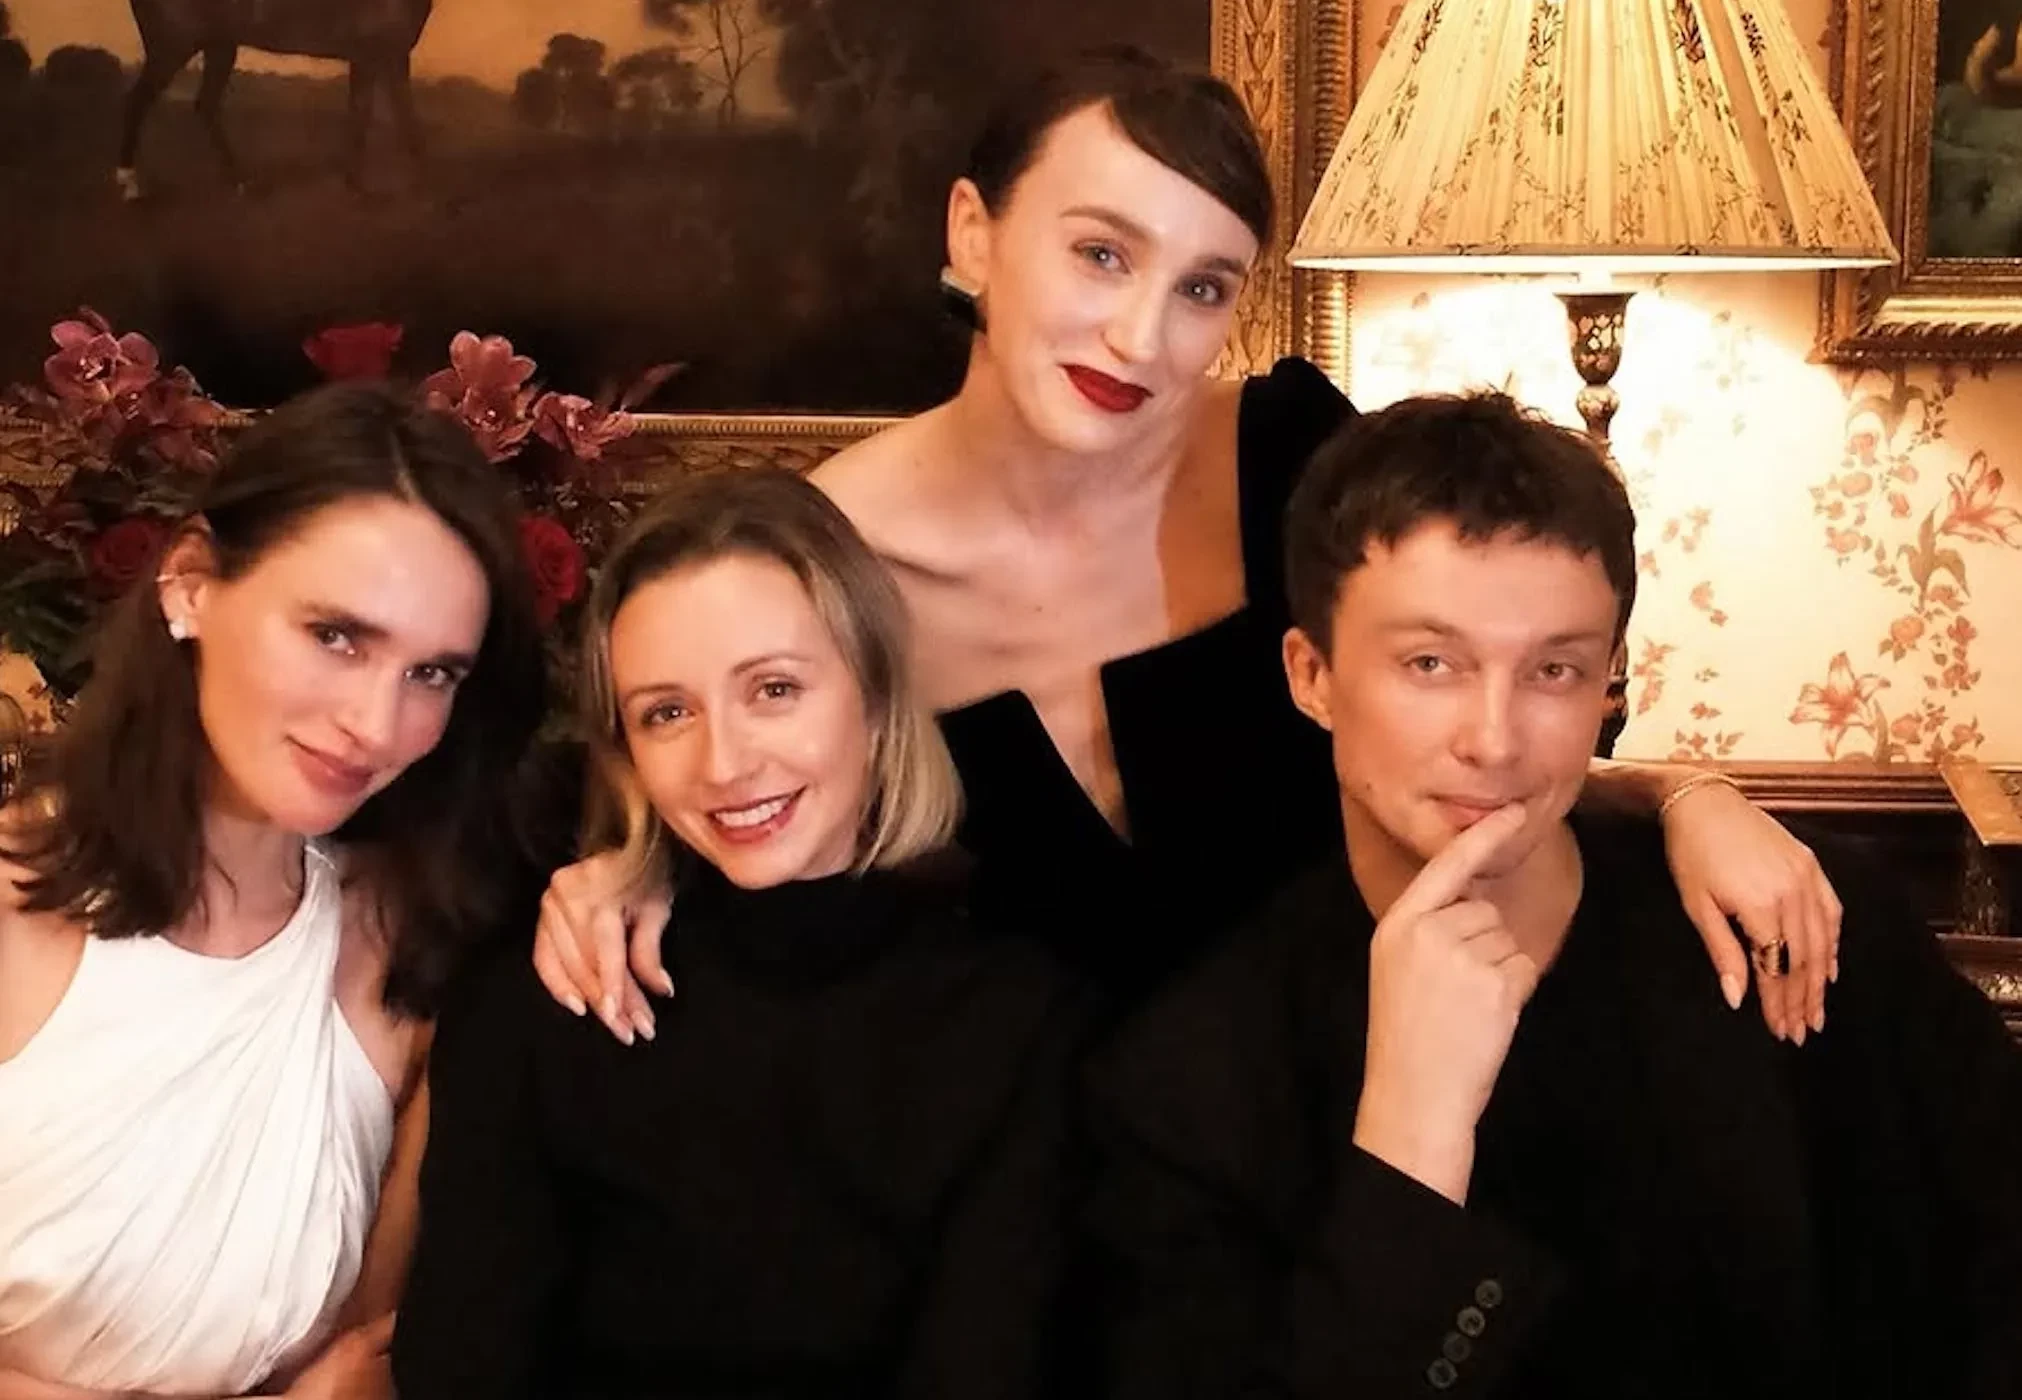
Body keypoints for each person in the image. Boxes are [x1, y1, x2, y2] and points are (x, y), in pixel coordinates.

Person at [533, 47, 1841, 1041]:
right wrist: (634, 873)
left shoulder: (1299, 458)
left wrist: (1688, 797)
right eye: (1101, 254)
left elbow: (1468, 746)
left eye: (1202, 287)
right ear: (973, 233)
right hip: (1004, 1189)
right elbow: (727, 804)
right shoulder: (814, 564)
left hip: (1350, 1105)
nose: (1141, 336)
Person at [1079, 393, 2022, 1398]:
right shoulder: (1190, 1082)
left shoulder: (1802, 925)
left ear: (1611, 682)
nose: (1494, 739)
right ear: (1312, 675)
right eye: (1430, 663)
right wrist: (1410, 1141)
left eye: (1554, 670)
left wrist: (1687, 790)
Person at [391, 468, 1086, 1400]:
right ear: (625, 750)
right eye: (667, 713)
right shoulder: (543, 999)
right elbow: (460, 1371)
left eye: (773, 689)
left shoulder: (1018, 1021)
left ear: (874, 692)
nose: (723, 763)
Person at [0, 383, 548, 1400]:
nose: (376, 724)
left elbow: (368, 1367)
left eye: (432, 673)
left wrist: (624, 884)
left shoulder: (402, 945)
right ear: (191, 583)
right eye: (337, 635)